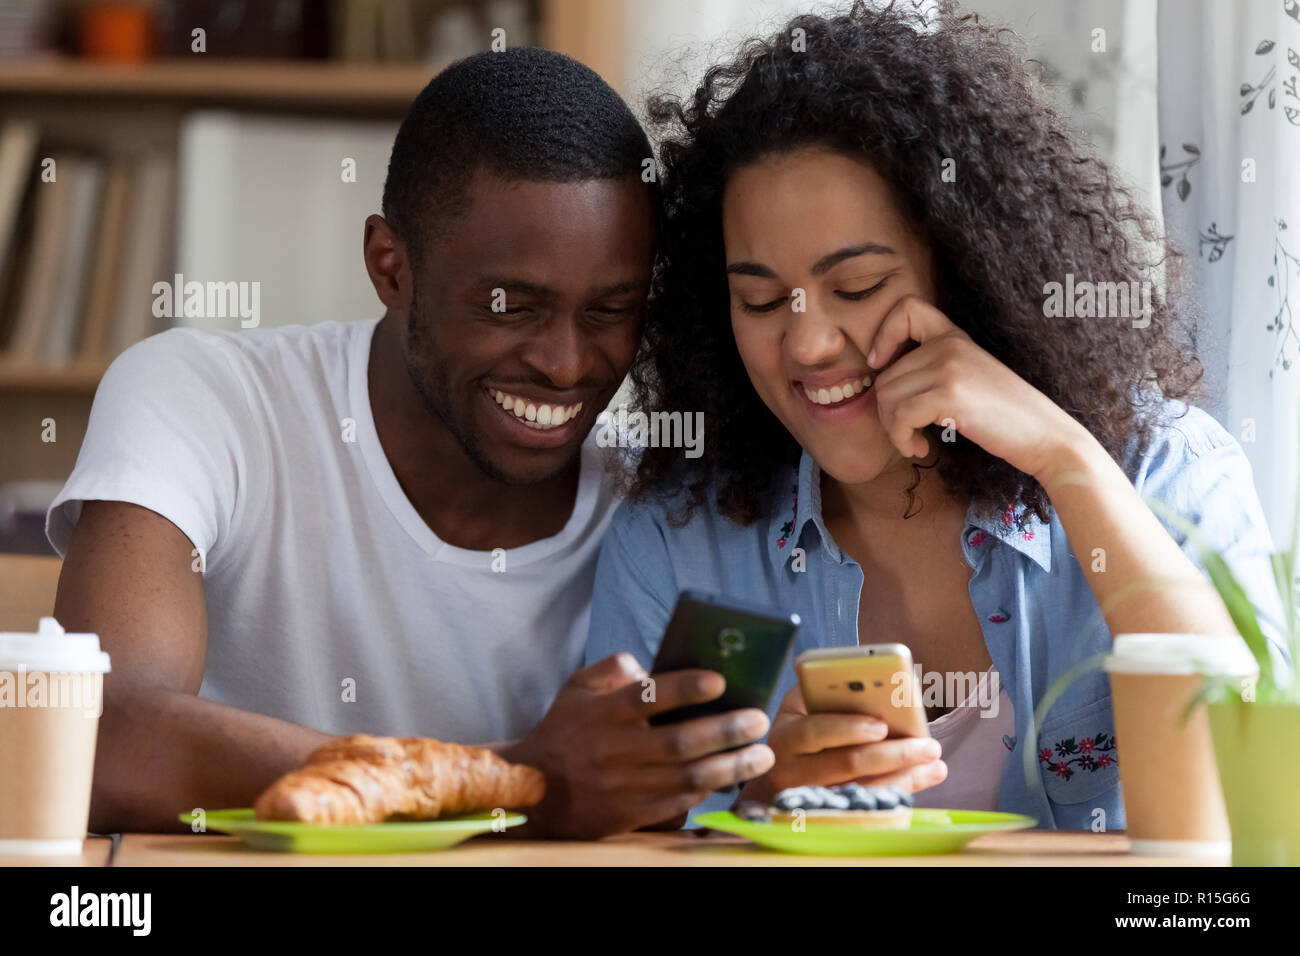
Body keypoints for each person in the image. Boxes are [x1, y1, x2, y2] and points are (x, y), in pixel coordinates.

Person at [585, 3, 1284, 828]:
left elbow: (1260, 799)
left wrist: (1065, 457)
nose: (808, 344)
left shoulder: (1166, 472)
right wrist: (757, 814)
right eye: (762, 299)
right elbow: (640, 841)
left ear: (966, 268)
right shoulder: (685, 548)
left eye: (858, 288)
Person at [49, 48, 773, 837]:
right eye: (513, 307)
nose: (567, 365)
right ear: (390, 268)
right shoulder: (205, 399)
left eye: (609, 312)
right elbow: (96, 735)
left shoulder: (659, 504)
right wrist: (514, 786)